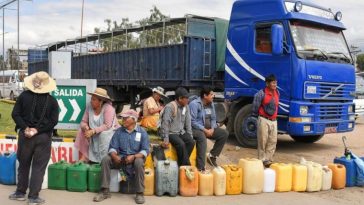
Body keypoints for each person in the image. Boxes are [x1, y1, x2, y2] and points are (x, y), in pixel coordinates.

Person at [10, 71, 59, 205]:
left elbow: (15, 114)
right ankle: (33, 197)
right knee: (38, 167)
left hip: (25, 136)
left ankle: (20, 192)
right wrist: (38, 129)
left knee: (24, 164)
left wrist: (25, 128)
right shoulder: (52, 101)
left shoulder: (23, 96)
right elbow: (53, 121)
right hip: (43, 137)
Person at [93, 109, 149, 204]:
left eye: (125, 118)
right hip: (120, 159)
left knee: (139, 161)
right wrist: (114, 156)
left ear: (133, 120)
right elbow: (112, 147)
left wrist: (134, 156)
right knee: (106, 159)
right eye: (122, 118)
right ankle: (104, 191)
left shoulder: (142, 132)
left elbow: (145, 151)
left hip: (134, 159)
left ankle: (139, 193)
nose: (122, 120)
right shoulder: (119, 131)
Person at [74, 88, 120, 163]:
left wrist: (93, 131)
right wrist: (85, 127)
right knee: (81, 131)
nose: (91, 101)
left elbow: (107, 125)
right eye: (91, 99)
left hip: (109, 133)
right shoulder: (89, 106)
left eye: (94, 100)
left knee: (103, 135)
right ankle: (85, 156)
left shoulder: (109, 108)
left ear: (101, 101)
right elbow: (83, 122)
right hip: (94, 132)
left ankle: (104, 160)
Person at [189, 87, 228, 170]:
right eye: (211, 94)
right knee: (202, 138)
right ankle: (201, 167)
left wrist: (212, 129)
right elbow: (192, 121)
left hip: (209, 129)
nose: (213, 96)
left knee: (224, 134)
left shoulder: (211, 104)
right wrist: (204, 130)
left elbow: (213, 118)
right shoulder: (194, 104)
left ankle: (212, 156)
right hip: (196, 129)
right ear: (205, 96)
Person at [159, 87, 195, 166]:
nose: (188, 100)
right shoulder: (170, 107)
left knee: (191, 142)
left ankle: (181, 164)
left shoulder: (186, 106)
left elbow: (188, 122)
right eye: (186, 98)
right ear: (180, 98)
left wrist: (190, 135)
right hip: (170, 133)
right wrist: (166, 139)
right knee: (181, 144)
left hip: (180, 131)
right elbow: (165, 123)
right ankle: (186, 166)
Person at [252, 74, 279, 167]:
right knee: (262, 141)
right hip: (263, 120)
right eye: (273, 83)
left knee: (273, 141)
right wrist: (258, 117)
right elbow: (255, 107)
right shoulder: (261, 93)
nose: (275, 84)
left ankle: (268, 160)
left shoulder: (277, 93)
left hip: (274, 121)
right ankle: (261, 161)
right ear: (267, 83)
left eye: (276, 82)